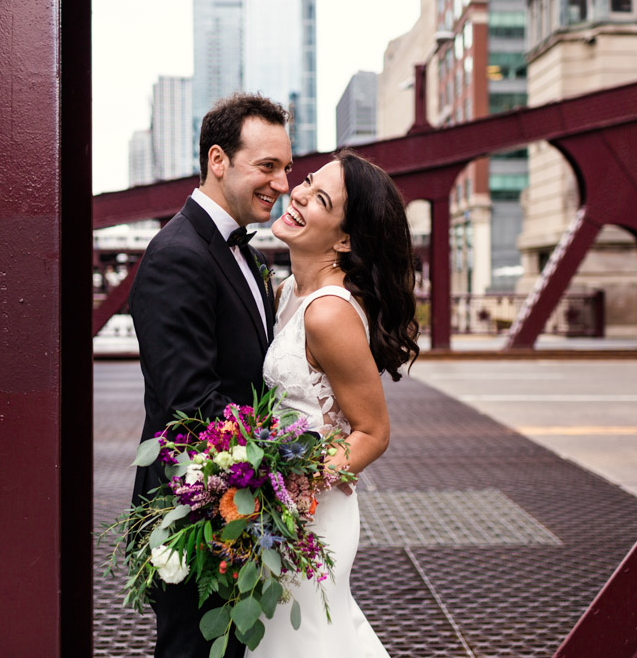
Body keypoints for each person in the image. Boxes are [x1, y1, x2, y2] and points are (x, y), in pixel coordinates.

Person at [129, 93, 293, 658]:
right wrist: (286, 453)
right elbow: (189, 402)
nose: (281, 184)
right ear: (218, 160)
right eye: (267, 167)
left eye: (287, 169)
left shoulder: (246, 254)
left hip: (239, 505)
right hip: (194, 511)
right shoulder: (178, 254)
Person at [250, 150, 420, 657]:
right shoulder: (286, 295)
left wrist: (298, 485)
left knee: (306, 639)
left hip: (312, 511)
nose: (297, 193)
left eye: (320, 198)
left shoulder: (328, 313)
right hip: (278, 506)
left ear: (344, 239)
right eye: (306, 182)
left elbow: (373, 432)